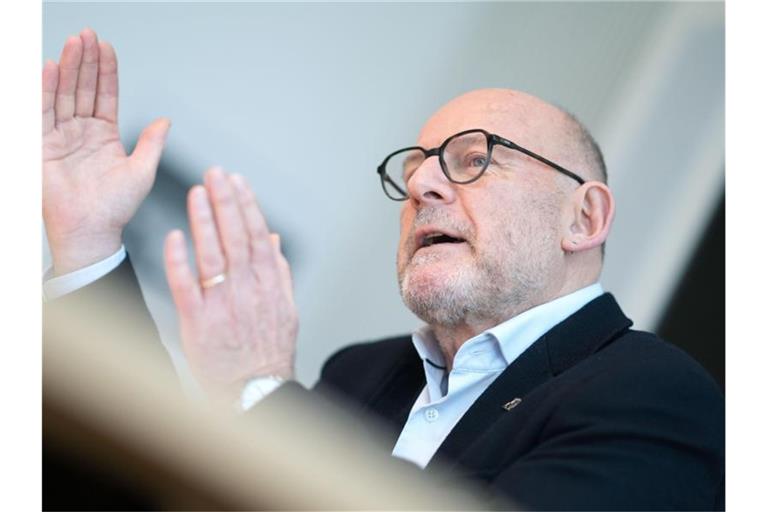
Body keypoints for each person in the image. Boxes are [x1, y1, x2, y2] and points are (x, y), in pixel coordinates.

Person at [43, 29, 724, 510]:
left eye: (473, 158)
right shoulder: (359, 374)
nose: (422, 184)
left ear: (583, 217)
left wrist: (260, 395)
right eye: (415, 169)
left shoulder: (658, 399)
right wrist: (87, 246)